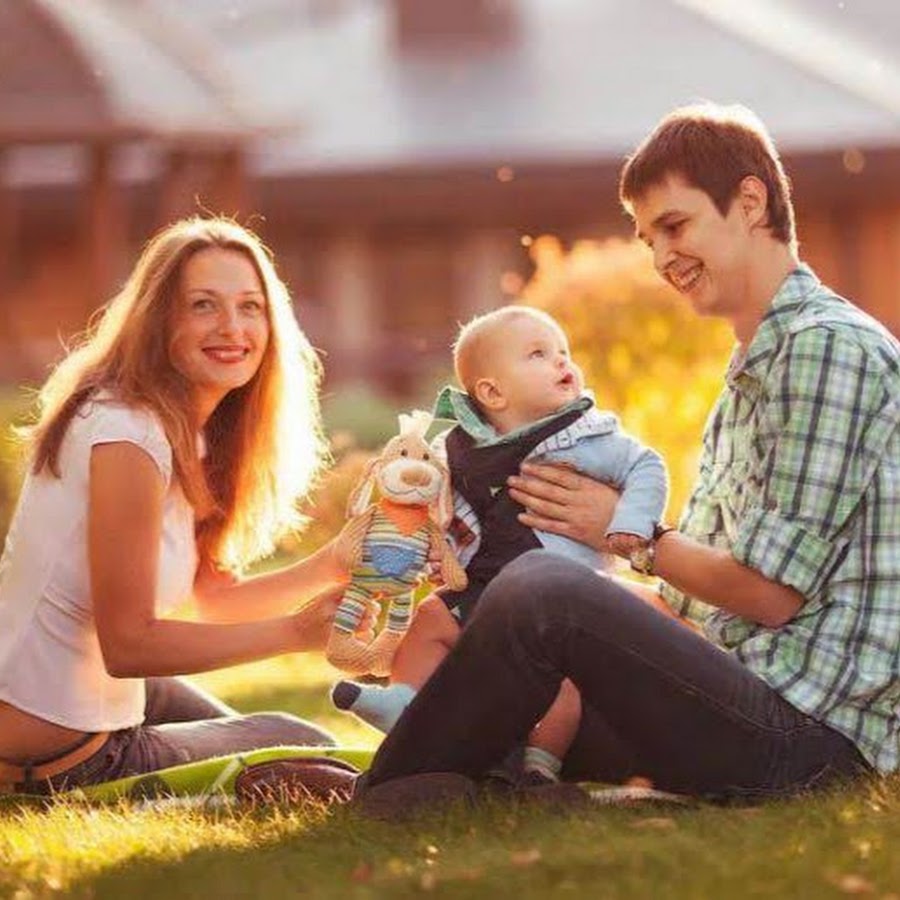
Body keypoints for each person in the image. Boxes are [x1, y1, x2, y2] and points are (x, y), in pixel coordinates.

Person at [355, 103, 900, 809]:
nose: (662, 258)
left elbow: (770, 594)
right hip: (743, 693)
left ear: (750, 202)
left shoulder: (824, 349)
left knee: (541, 587)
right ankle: (431, 784)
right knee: (491, 614)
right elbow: (710, 593)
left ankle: (382, 790)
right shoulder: (757, 366)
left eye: (675, 226)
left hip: (807, 738)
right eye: (648, 240)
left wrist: (626, 533)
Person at [0, 216, 362, 795]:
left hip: (83, 705)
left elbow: (210, 600)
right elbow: (129, 646)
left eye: (250, 307)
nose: (232, 328)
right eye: (203, 305)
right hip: (62, 753)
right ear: (159, 320)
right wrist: (297, 632)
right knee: (305, 743)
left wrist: (333, 563)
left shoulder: (174, 429)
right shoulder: (126, 433)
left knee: (288, 744)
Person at [333, 305, 667, 785]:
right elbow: (450, 510)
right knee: (428, 620)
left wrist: (631, 523)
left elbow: (647, 466)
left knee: (560, 675)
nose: (561, 361)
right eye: (538, 354)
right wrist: (437, 546)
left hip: (562, 600)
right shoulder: (459, 450)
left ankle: (540, 762)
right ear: (492, 393)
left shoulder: (588, 437)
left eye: (563, 351)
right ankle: (406, 705)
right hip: (484, 587)